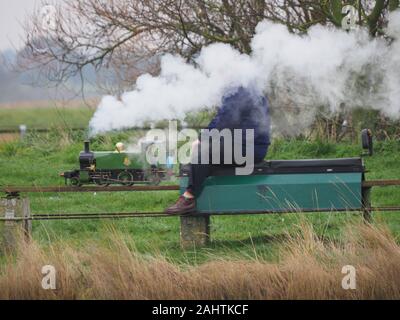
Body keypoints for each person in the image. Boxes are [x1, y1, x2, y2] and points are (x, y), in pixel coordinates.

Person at [165, 86, 271, 215]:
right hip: (251, 145)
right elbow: (221, 119)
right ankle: (199, 182)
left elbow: (225, 121)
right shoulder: (247, 84)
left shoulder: (238, 89)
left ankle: (189, 198)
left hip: (248, 147)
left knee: (203, 152)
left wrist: (201, 140)